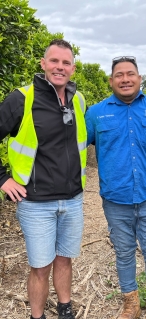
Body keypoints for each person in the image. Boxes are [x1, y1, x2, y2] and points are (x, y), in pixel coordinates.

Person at [0, 39, 87, 319]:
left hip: (73, 200)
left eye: (65, 63)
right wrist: (2, 179)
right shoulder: (22, 99)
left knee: (65, 259)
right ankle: (36, 316)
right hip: (36, 204)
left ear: (73, 68)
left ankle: (65, 308)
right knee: (40, 266)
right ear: (43, 64)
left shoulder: (79, 100)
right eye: (54, 61)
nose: (59, 67)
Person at [85, 56, 146, 319]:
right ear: (111, 80)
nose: (125, 79)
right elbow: (77, 149)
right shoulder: (96, 113)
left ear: (139, 77)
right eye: (119, 75)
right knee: (124, 254)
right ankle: (131, 304)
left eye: (130, 74)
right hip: (115, 199)